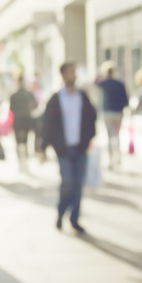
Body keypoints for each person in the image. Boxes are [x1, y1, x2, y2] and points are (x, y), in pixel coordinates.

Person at [40, 62, 97, 234]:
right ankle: (61, 212)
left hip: (80, 148)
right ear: (63, 75)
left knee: (78, 185)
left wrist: (88, 140)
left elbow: (91, 118)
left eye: (74, 72)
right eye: (70, 72)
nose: (73, 75)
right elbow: (47, 124)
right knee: (67, 183)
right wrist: (43, 147)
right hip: (64, 149)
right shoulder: (56, 99)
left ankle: (75, 218)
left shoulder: (82, 96)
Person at [96, 62, 129, 169]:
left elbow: (94, 82)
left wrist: (99, 73)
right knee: (117, 136)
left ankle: (110, 159)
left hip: (107, 113)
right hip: (118, 113)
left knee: (109, 136)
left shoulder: (103, 83)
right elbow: (126, 100)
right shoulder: (120, 84)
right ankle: (118, 157)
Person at [9, 74, 38, 171]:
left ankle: (21, 163)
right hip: (26, 120)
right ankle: (24, 162)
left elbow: (11, 109)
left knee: (19, 142)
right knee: (25, 142)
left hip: (18, 121)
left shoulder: (14, 95)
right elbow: (35, 105)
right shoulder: (28, 94)